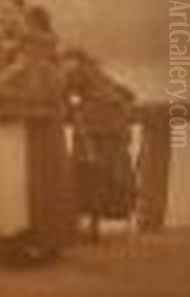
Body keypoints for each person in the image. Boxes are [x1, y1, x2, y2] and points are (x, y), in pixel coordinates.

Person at [0, 3, 75, 266]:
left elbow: (20, 80)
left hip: (33, 126)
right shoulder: (36, 50)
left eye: (9, 13)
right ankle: (36, 244)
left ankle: (21, 243)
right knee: (34, 187)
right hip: (35, 124)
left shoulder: (33, 49)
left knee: (28, 186)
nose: (1, 18)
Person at [61, 48, 137, 243]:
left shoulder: (74, 70)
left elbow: (60, 93)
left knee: (87, 171)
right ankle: (100, 223)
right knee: (108, 173)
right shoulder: (99, 74)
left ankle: (89, 226)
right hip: (115, 125)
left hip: (92, 124)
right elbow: (129, 94)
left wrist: (75, 108)